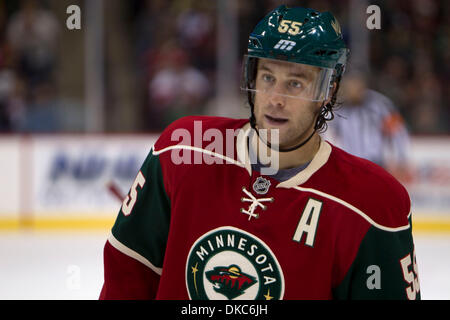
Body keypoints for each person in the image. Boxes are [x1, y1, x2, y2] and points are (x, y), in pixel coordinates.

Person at [100, 5, 420, 300]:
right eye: (268, 77)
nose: (275, 98)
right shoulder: (181, 151)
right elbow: (126, 278)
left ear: (328, 90)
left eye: (295, 83)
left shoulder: (374, 206)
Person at [325, 72, 412, 183]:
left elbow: (397, 132)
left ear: (362, 85)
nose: (352, 89)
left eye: (355, 84)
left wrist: (401, 158)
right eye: (348, 85)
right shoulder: (339, 107)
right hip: (351, 163)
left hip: (375, 162)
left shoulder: (379, 105)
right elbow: (327, 132)